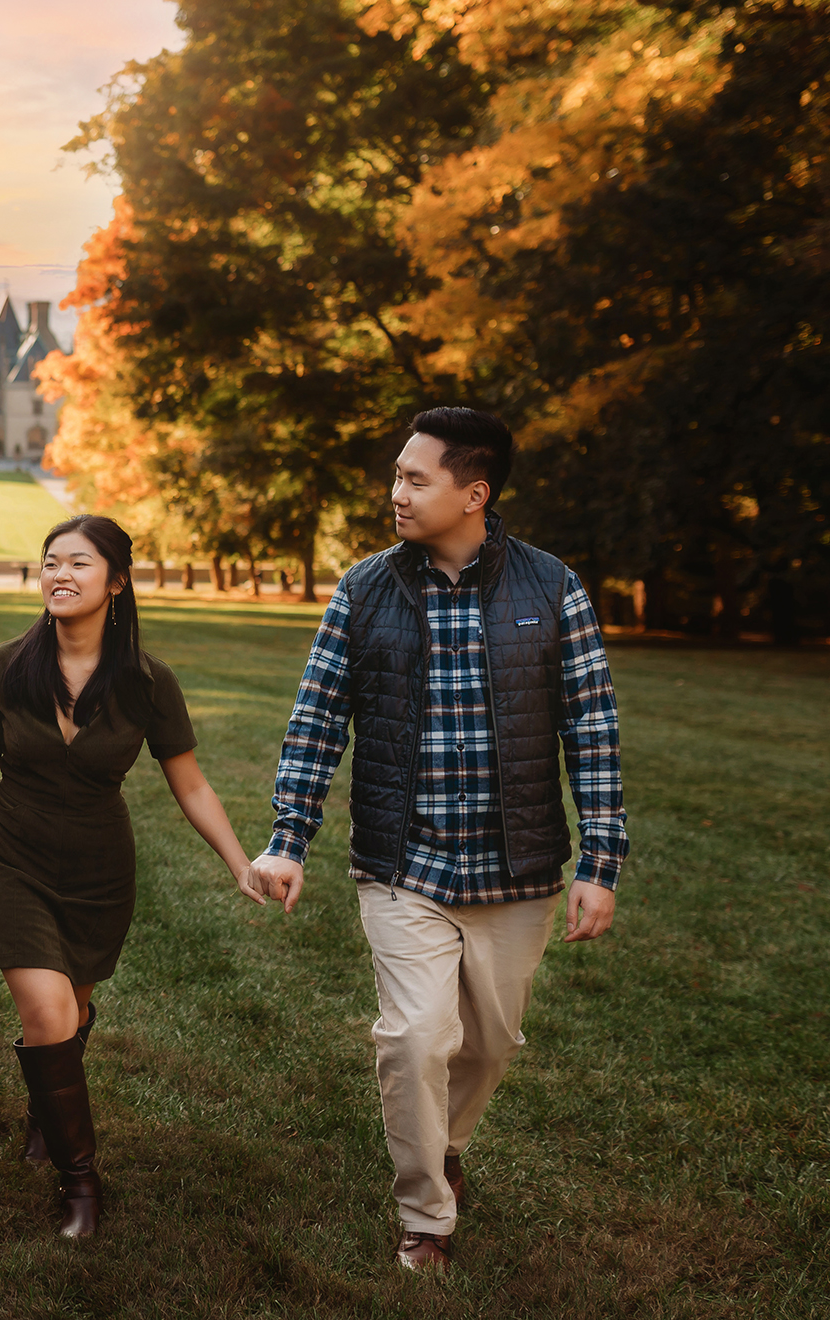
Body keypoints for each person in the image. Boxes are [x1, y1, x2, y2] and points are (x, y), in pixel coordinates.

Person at [247, 407, 628, 1273]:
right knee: (416, 1038)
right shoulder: (365, 588)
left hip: (517, 867)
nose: (397, 493)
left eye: (417, 479)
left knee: (489, 1045)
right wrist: (288, 839)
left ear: (475, 493)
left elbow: (592, 730)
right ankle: (426, 1215)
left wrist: (600, 862)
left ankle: (444, 1143)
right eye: (397, 476)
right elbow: (315, 721)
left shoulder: (552, 588)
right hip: (401, 862)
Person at [0, 514, 262, 1238]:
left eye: (79, 564)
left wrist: (240, 862)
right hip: (12, 856)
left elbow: (193, 785)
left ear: (116, 582)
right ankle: (81, 1181)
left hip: (98, 868)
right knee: (47, 1013)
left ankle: (45, 1109)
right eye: (50, 562)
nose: (60, 575)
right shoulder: (7, 666)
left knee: (71, 1013)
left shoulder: (146, 682)